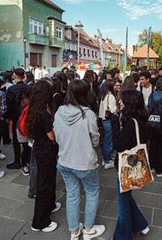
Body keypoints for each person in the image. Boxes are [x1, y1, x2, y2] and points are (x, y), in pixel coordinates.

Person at [54, 79, 105, 239]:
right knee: (92, 192)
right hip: (85, 163)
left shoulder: (60, 111)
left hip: (64, 160)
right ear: (85, 94)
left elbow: (56, 135)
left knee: (72, 194)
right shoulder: (88, 114)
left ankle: (74, 231)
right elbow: (95, 139)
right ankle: (88, 229)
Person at [112, 90, 150, 239]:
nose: (119, 102)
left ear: (128, 103)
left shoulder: (130, 123)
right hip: (134, 164)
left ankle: (122, 237)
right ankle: (141, 225)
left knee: (123, 208)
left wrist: (115, 125)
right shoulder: (140, 120)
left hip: (125, 168)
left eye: (121, 100)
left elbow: (119, 145)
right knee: (127, 197)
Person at [27, 80, 61, 233]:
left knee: (48, 181)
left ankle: (51, 205)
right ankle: (40, 222)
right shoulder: (44, 113)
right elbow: (51, 136)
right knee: (44, 184)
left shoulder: (33, 109)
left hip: (39, 149)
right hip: (46, 151)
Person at [6, 68, 30, 175]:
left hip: (16, 117)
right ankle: (26, 159)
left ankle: (17, 161)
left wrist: (8, 116)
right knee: (27, 138)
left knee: (16, 140)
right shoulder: (28, 87)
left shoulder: (11, 89)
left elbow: (9, 104)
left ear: (15, 75)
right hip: (26, 115)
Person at [99, 80, 119, 170]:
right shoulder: (110, 96)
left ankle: (104, 158)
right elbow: (113, 110)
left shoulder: (103, 95)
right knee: (109, 141)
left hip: (104, 120)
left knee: (105, 140)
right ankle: (107, 160)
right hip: (109, 120)